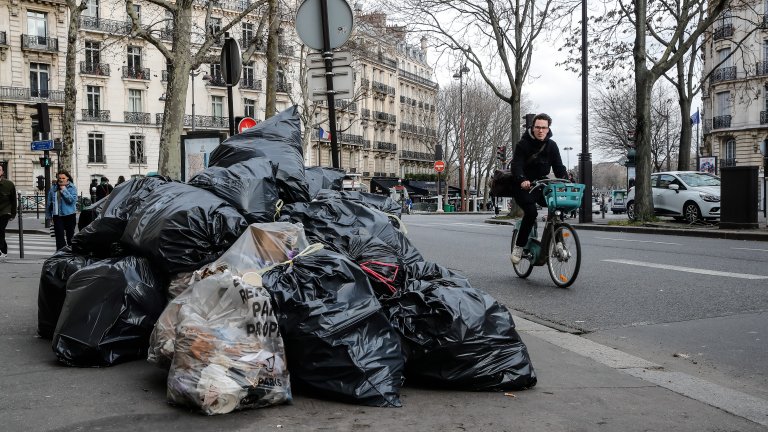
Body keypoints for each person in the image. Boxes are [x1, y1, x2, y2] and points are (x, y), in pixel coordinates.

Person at [509, 113, 568, 264]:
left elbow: (559, 167)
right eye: (537, 127)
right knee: (531, 213)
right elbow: (517, 165)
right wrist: (522, 179)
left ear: (548, 129)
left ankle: (559, 242)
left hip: (541, 185)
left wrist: (567, 180)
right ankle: (519, 246)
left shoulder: (552, 146)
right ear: (533, 128)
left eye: (544, 128)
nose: (540, 130)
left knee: (557, 207)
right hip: (523, 186)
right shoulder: (523, 144)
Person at [46, 170, 78, 251]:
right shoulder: (54, 188)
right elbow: (49, 203)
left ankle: (71, 253)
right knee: (59, 236)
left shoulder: (72, 187)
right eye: (59, 178)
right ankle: (60, 254)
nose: (61, 179)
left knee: (70, 236)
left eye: (63, 178)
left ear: (67, 178)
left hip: (69, 215)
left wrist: (64, 190)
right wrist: (49, 216)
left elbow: (71, 200)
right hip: (57, 216)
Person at [0, 165, 17, 262]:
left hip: (5, 211)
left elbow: (13, 200)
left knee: (0, 229)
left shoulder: (9, 184)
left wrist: (13, 214)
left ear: (2, 172)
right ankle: (4, 250)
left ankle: (2, 250)